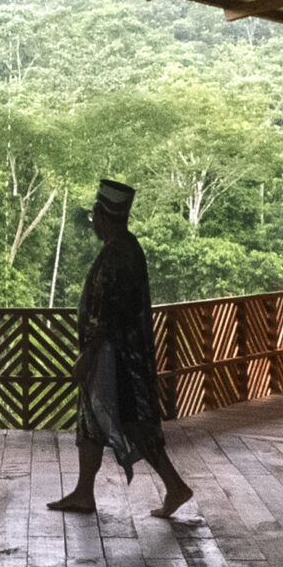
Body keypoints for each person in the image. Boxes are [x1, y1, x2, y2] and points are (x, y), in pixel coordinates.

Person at [47, 179, 196, 519]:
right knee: (91, 419)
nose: (94, 224)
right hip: (113, 356)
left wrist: (88, 354)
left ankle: (175, 486)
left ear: (103, 216)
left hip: (116, 359)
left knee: (132, 422)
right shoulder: (124, 248)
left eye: (95, 217)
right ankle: (84, 491)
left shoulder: (118, 254)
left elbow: (107, 313)